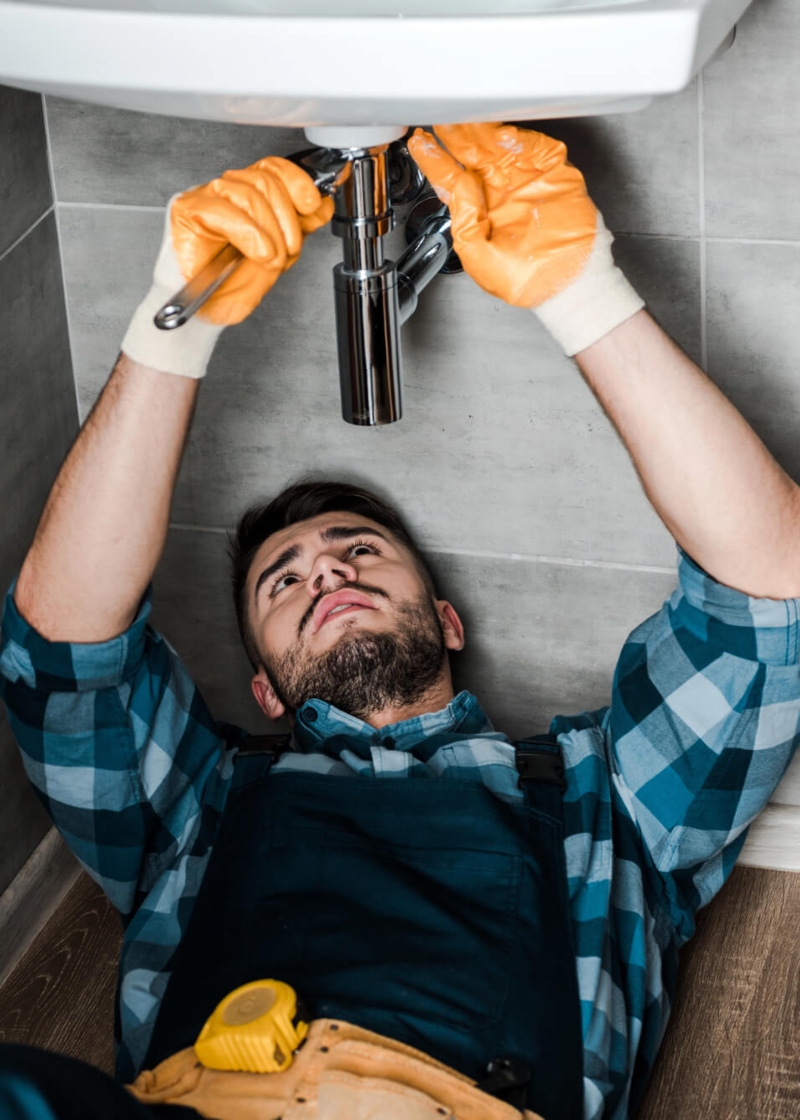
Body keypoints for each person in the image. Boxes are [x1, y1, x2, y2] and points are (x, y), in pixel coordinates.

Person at [1, 122, 799, 1120]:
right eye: (279, 583)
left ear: (447, 619)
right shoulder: (192, 806)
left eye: (359, 549)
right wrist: (172, 325)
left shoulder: (611, 802)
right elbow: (62, 654)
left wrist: (580, 290)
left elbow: (769, 595)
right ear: (264, 687)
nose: (326, 567)